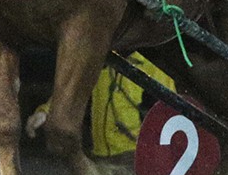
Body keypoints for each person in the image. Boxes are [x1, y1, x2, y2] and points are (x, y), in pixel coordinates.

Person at [26, 52, 175, 163]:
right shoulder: (99, 57)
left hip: (136, 155)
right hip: (100, 156)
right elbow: (75, 87)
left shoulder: (151, 60)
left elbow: (171, 105)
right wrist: (47, 111)